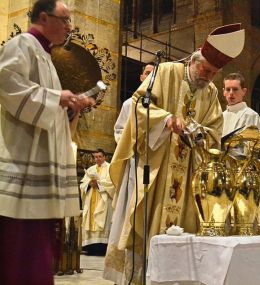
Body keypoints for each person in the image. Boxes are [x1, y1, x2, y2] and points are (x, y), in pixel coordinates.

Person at [103, 23, 245, 284]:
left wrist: (196, 132)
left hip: (188, 170)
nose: (208, 77)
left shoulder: (211, 91)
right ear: (194, 60)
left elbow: (214, 131)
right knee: (147, 225)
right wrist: (167, 120)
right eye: (206, 70)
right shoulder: (166, 72)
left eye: (214, 73)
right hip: (156, 166)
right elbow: (138, 104)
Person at [0, 1, 94, 284]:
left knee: (36, 246)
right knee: (19, 248)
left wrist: (70, 107)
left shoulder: (45, 56)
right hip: (22, 163)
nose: (69, 26)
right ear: (44, 17)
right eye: (65, 19)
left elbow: (46, 106)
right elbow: (6, 82)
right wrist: (57, 98)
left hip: (38, 165)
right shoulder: (22, 45)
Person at [80, 148, 115, 256]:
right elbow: (82, 184)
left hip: (103, 201)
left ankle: (102, 248)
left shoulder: (110, 168)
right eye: (96, 157)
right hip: (91, 201)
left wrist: (98, 184)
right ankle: (90, 248)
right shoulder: (90, 169)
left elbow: (112, 184)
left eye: (100, 156)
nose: (98, 159)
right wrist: (89, 184)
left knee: (102, 222)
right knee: (90, 222)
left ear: (104, 157)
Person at [114, 63, 154, 143]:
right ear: (141, 77)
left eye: (153, 74)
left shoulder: (162, 104)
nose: (150, 77)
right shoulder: (129, 104)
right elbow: (119, 130)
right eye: (147, 73)